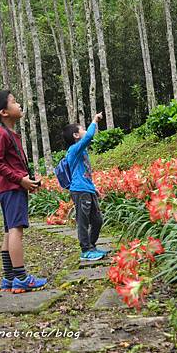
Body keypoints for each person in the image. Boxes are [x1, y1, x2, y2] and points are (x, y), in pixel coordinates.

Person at [0, 90, 47, 293]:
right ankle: (21, 277)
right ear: (4, 112)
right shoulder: (1, 134)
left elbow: (12, 163)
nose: (19, 104)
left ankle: (9, 277)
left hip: (11, 188)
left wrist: (28, 181)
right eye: (14, 102)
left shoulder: (9, 134)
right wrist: (20, 180)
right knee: (15, 231)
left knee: (8, 231)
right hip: (12, 189)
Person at [62, 112, 109, 261]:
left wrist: (93, 187)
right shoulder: (74, 150)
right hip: (79, 191)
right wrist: (94, 120)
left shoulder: (81, 151)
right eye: (82, 129)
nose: (84, 131)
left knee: (97, 220)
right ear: (76, 135)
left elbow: (85, 172)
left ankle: (91, 246)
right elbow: (88, 137)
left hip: (88, 189)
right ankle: (85, 250)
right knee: (83, 221)